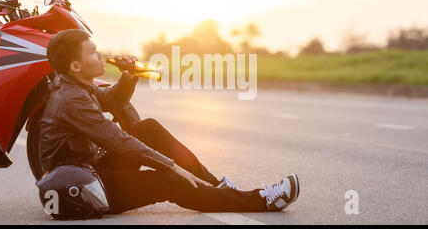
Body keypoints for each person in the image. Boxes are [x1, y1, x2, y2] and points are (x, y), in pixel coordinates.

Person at [39, 28, 300, 217]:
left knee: (147, 128)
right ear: (75, 66)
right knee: (170, 181)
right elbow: (118, 141)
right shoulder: (72, 100)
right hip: (85, 187)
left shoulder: (76, 85)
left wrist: (130, 75)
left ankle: (215, 185)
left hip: (91, 167)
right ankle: (261, 200)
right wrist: (172, 166)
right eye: (93, 52)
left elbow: (111, 101)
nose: (100, 55)